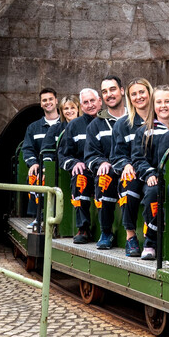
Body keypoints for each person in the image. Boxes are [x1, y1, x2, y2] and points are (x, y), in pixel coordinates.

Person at [129, 85, 169, 260]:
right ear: (153, 105)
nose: (163, 106)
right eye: (159, 102)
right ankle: (150, 243)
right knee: (153, 193)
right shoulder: (144, 131)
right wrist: (149, 174)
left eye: (167, 101)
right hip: (154, 179)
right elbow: (138, 158)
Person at [84, 76, 128, 249]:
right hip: (110, 172)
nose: (109, 94)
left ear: (122, 91)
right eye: (105, 91)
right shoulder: (95, 126)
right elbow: (90, 155)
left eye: (113, 89)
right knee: (104, 177)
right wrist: (101, 163)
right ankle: (106, 232)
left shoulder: (136, 118)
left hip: (133, 169)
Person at [112, 78, 152, 256]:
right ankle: (131, 237)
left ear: (149, 93)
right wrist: (126, 165)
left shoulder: (160, 119)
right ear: (129, 98)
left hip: (152, 172)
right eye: (134, 94)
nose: (138, 97)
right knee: (128, 185)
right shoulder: (122, 124)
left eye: (142, 92)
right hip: (133, 173)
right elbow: (116, 155)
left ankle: (152, 238)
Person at [57, 88, 102, 243]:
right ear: (81, 106)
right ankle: (83, 228)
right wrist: (74, 164)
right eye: (86, 102)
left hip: (107, 169)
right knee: (79, 179)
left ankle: (107, 230)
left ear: (99, 102)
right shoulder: (74, 125)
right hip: (85, 171)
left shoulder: (110, 122)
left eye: (92, 101)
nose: (90, 105)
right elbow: (63, 155)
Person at [39, 95, 80, 236]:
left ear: (78, 109)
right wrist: (47, 168)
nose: (69, 111)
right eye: (66, 108)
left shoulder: (86, 127)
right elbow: (47, 150)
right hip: (60, 171)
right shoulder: (56, 129)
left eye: (72, 107)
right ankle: (46, 218)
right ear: (61, 111)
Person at [21, 88, 59, 231]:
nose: (48, 102)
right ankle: (38, 216)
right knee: (33, 178)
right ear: (41, 104)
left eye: (50, 99)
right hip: (41, 169)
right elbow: (27, 148)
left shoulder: (65, 124)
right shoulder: (33, 128)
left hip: (60, 167)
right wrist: (33, 164)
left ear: (56, 101)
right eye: (44, 100)